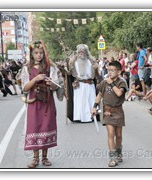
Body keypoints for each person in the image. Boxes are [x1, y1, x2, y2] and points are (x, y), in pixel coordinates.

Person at [21, 40, 64, 168]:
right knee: (34, 127)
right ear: (32, 54)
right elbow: (24, 88)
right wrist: (35, 79)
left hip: (47, 102)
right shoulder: (26, 68)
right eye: (36, 53)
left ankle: (45, 158)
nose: (39, 55)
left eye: (41, 52)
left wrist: (51, 83)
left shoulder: (50, 67)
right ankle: (35, 158)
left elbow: (57, 86)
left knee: (46, 126)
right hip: (34, 102)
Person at [91, 61, 127, 167]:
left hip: (118, 111)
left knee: (119, 135)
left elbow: (119, 93)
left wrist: (111, 83)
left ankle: (119, 152)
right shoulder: (104, 82)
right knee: (111, 133)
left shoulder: (122, 82)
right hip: (107, 112)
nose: (110, 72)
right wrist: (94, 107)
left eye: (112, 70)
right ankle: (112, 157)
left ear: (119, 71)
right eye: (108, 70)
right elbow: (100, 95)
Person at [67, 44, 98, 122]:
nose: (81, 53)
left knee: (90, 100)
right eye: (80, 52)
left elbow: (96, 73)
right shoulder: (73, 62)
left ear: (86, 52)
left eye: (83, 52)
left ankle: (91, 117)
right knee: (80, 101)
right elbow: (70, 74)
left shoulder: (91, 61)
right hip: (79, 85)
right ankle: (79, 117)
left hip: (90, 84)